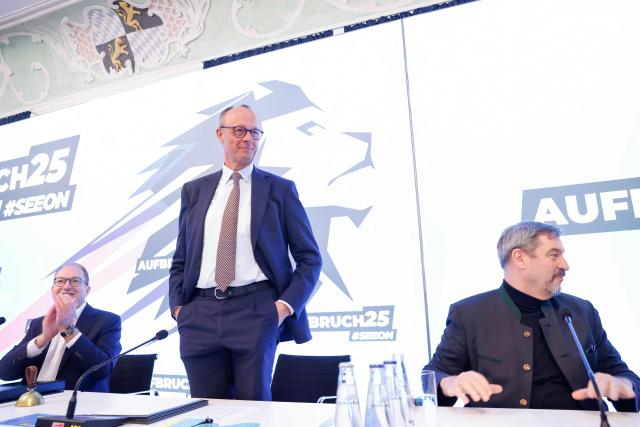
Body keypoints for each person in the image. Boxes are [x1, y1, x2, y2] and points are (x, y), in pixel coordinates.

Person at [168, 104, 322, 400]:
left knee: (252, 410)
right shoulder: (194, 191)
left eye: (254, 132)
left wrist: (283, 308)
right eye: (239, 130)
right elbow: (181, 259)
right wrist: (179, 310)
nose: (248, 138)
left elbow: (310, 259)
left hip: (256, 311)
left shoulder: (280, 190)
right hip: (200, 313)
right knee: (204, 412)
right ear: (220, 134)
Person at [424, 221, 639, 411]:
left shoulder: (582, 311)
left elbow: (623, 375)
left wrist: (624, 386)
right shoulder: (469, 314)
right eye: (554, 255)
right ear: (520, 258)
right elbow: (433, 376)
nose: (565, 265)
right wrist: (450, 382)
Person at [0, 262, 122, 392]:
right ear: (52, 289)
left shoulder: (107, 321)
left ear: (87, 290)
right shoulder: (38, 323)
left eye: (75, 281)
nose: (66, 287)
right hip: (30, 401)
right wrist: (43, 339)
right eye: (60, 281)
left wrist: (68, 330)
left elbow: (103, 371)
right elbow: (5, 372)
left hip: (75, 404)